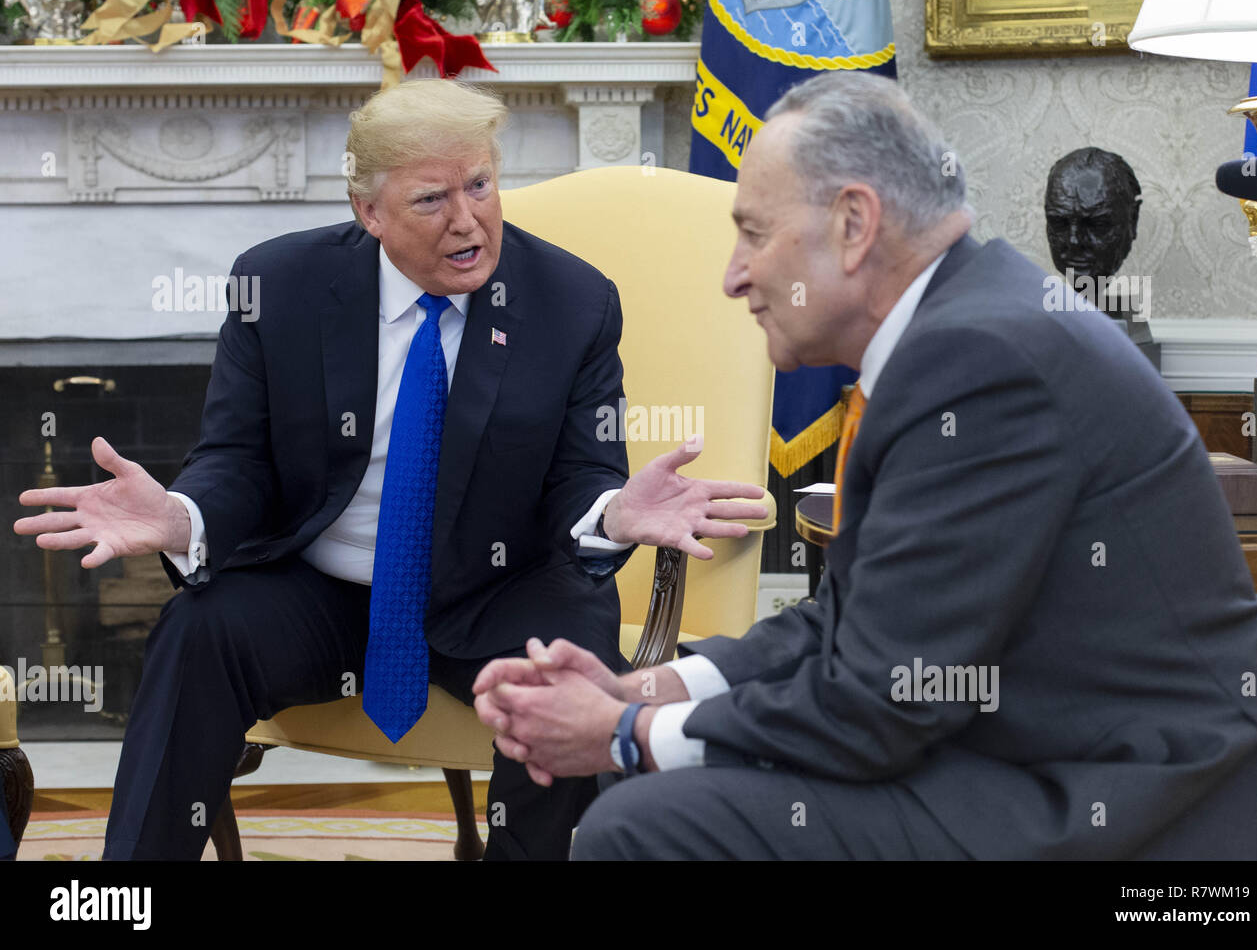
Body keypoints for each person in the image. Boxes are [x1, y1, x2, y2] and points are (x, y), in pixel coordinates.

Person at [472, 70, 1257, 860]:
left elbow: (881, 702)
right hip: (1047, 762)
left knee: (647, 826)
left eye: (754, 234)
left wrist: (621, 736)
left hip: (1163, 812)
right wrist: (643, 691)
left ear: (854, 224)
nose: (733, 277)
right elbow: (847, 623)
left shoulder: (983, 361)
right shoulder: (956, 333)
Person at [12, 79, 766, 861]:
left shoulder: (571, 302)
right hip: (322, 589)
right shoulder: (278, 288)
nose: (468, 219)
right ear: (368, 212)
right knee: (198, 630)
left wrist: (611, 513)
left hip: (498, 588)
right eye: (432, 199)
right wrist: (182, 517)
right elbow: (237, 459)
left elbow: (581, 476)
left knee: (566, 650)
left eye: (481, 185)